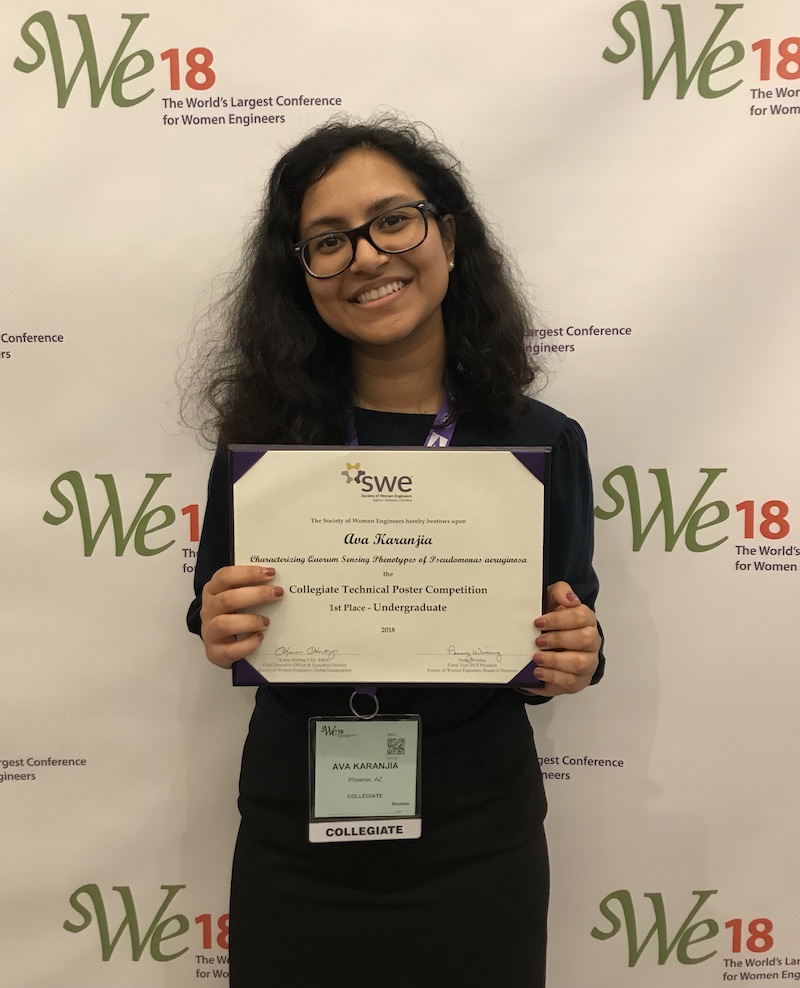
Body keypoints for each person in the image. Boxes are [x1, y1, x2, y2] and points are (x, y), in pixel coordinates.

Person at [186, 115, 603, 988]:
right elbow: (213, 610)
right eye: (328, 242)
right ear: (300, 278)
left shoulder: (540, 441)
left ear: (446, 236)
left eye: (393, 221)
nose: (368, 257)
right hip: (296, 834)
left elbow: (570, 624)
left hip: (475, 835)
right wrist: (220, 623)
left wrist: (576, 652)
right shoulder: (263, 446)